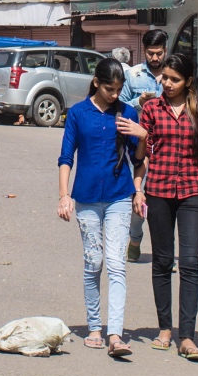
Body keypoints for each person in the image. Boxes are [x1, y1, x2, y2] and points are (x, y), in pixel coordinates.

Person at [134, 52, 198, 360]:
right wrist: (138, 187)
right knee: (161, 262)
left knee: (189, 263)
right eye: (165, 78)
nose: (168, 84)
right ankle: (164, 329)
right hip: (158, 191)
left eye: (175, 79)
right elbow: (140, 155)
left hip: (193, 193)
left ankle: (187, 336)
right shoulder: (151, 110)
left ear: (188, 82)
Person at [58, 60, 146, 357]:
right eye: (110, 88)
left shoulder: (128, 113)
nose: (114, 94)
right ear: (96, 82)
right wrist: (63, 195)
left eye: (119, 90)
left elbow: (139, 159)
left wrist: (142, 135)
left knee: (117, 264)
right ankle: (94, 327)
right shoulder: (78, 113)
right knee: (93, 262)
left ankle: (115, 334)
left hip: (120, 196)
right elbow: (66, 156)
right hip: (85, 198)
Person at [122, 29, 166, 105]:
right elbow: (120, 106)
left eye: (159, 53)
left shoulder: (173, 76)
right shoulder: (131, 74)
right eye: (150, 53)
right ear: (144, 51)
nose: (155, 58)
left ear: (165, 51)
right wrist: (138, 102)